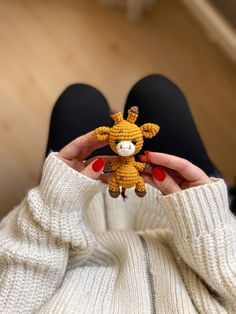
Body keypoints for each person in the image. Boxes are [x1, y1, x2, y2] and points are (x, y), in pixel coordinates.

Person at [0, 74, 235, 313]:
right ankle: (119, 128)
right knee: (155, 92)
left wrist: (52, 206)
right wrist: (208, 220)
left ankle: (115, 126)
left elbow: (13, 293)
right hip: (190, 224)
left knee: (79, 99)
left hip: (71, 225)